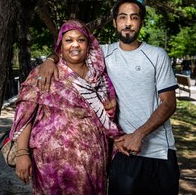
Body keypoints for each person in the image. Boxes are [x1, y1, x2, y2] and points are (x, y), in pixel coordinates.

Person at [37, 0, 180, 195]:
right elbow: (70, 49)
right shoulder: (102, 53)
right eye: (122, 17)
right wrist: (49, 60)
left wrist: (138, 135)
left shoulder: (157, 55)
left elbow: (169, 103)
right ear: (114, 22)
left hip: (159, 152)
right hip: (123, 152)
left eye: (134, 17)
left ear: (141, 22)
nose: (128, 23)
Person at [9, 20, 123, 195]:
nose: (75, 44)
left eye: (81, 40)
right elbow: (25, 117)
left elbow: (107, 117)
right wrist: (22, 154)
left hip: (92, 163)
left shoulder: (101, 78)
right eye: (68, 40)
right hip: (52, 166)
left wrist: (109, 109)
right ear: (60, 46)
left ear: (89, 44)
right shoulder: (44, 74)